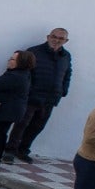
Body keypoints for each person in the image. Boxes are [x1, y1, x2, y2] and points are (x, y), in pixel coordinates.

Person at [8, 28, 73, 162]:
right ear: (48, 37)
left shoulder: (66, 56)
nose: (56, 40)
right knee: (21, 125)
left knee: (37, 126)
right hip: (31, 97)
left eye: (61, 38)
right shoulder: (34, 51)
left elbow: (67, 74)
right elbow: (23, 70)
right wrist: (27, 90)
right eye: (54, 37)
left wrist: (63, 90)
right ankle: (10, 150)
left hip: (50, 99)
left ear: (66, 41)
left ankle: (23, 150)